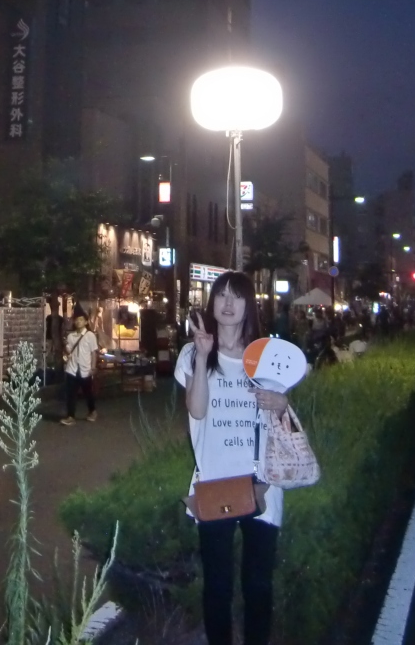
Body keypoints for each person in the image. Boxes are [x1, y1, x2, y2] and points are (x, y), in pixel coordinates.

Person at [175, 270, 289, 645]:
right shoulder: (194, 352)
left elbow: (281, 419)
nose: (227, 303)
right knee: (218, 587)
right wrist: (203, 356)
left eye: (236, 296)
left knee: (258, 585)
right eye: (221, 295)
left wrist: (282, 403)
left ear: (248, 305)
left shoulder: (266, 357)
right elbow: (196, 410)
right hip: (214, 482)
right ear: (211, 303)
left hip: (262, 483)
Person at [61, 311, 98, 425]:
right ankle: (70, 416)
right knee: (70, 393)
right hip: (72, 368)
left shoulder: (90, 335)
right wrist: (65, 347)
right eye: (76, 319)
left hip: (85, 368)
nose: (78, 322)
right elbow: (68, 351)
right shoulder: (70, 336)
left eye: (81, 319)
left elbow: (93, 352)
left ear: (86, 322)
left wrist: (93, 367)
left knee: (88, 392)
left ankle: (92, 411)